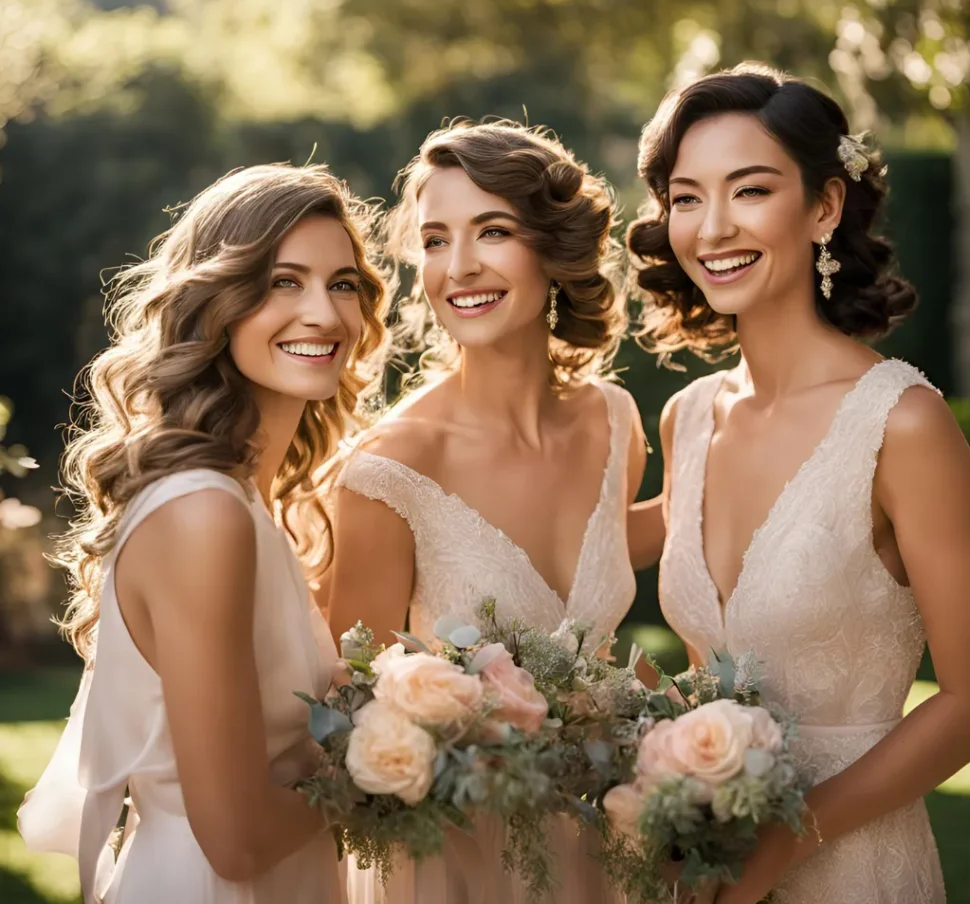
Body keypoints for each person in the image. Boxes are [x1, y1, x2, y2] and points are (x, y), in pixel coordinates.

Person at [628, 64, 970, 904]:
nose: (712, 227)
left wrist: (781, 845)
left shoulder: (902, 424)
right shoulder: (688, 419)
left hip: (858, 870)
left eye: (750, 190)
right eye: (686, 198)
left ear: (826, 207)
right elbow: (708, 683)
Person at [19, 164, 389, 904]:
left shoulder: (246, 502)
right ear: (215, 301)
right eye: (284, 282)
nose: (322, 312)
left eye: (342, 283)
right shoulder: (203, 514)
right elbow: (237, 837)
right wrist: (403, 758)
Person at [326, 120, 647, 904]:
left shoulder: (614, 421)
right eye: (435, 241)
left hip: (601, 852)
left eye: (492, 231)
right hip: (449, 862)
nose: (458, 266)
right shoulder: (389, 470)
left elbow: (627, 545)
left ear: (553, 248)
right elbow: (346, 717)